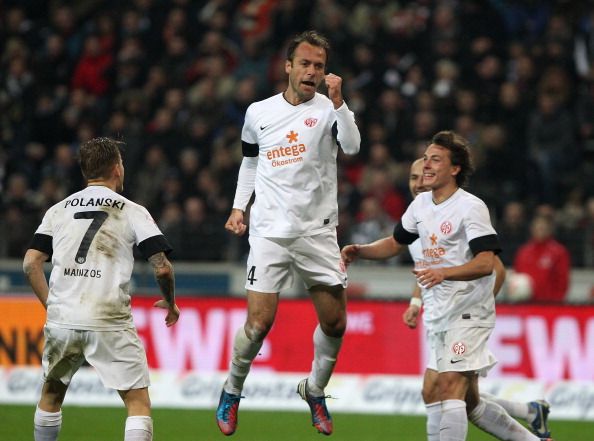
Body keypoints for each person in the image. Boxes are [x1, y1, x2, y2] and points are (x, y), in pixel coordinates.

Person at [342, 132, 553, 441]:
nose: (427, 164)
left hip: (468, 315)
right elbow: (394, 243)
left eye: (435, 159)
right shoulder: (420, 206)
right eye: (425, 158)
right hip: (440, 315)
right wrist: (361, 251)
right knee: (470, 404)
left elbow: (487, 264)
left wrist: (445, 273)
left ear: (454, 169)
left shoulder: (470, 207)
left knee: (448, 385)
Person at [218, 30, 361, 436]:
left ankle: (314, 390)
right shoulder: (258, 113)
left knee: (335, 324)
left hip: (317, 233)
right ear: (288, 66)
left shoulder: (330, 108)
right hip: (268, 233)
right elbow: (250, 162)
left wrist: (340, 104)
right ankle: (232, 390)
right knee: (258, 324)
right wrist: (238, 206)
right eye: (305, 64)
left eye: (319, 65)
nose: (312, 71)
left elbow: (351, 147)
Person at [22, 137, 180, 441]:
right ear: (117, 169)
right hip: (108, 317)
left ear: (85, 172)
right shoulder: (133, 210)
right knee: (137, 402)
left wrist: (51, 304)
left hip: (63, 318)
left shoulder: (58, 210)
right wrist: (170, 302)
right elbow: (161, 266)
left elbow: (31, 263)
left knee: (51, 394)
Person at [402, 158, 552, 440]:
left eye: (424, 175)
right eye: (412, 178)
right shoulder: (416, 221)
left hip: (460, 318)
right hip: (438, 319)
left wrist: (475, 307)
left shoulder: (457, 212)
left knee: (439, 388)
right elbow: (425, 271)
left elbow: (496, 269)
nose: (418, 182)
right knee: (467, 399)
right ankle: (531, 414)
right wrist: (415, 303)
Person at [513, 214, 570, 302]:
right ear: (532, 229)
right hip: (526, 303)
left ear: (549, 230)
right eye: (537, 228)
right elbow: (517, 275)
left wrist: (558, 301)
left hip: (550, 303)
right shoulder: (524, 251)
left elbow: (563, 280)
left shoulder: (558, 252)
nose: (540, 231)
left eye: (543, 228)